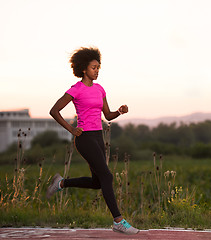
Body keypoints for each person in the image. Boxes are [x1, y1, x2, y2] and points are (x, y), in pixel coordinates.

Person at [47, 47, 139, 235]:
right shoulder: (76, 90)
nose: (97, 71)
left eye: (98, 67)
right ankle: (118, 221)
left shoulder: (100, 89)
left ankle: (62, 183)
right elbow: (54, 111)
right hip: (85, 138)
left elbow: (107, 115)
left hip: (98, 137)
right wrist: (72, 129)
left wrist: (120, 111)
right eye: (93, 67)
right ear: (83, 69)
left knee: (98, 182)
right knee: (107, 176)